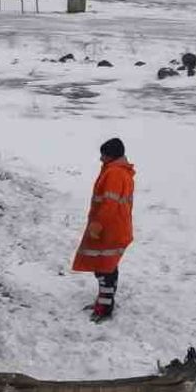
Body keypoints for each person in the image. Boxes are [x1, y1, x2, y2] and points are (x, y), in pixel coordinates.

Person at [72, 137, 135, 323]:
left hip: (109, 230)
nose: (101, 158)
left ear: (111, 156)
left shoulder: (114, 173)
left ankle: (104, 308)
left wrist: (97, 226)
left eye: (104, 155)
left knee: (103, 269)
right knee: (109, 266)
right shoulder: (120, 171)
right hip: (117, 227)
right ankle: (105, 301)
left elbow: (109, 204)